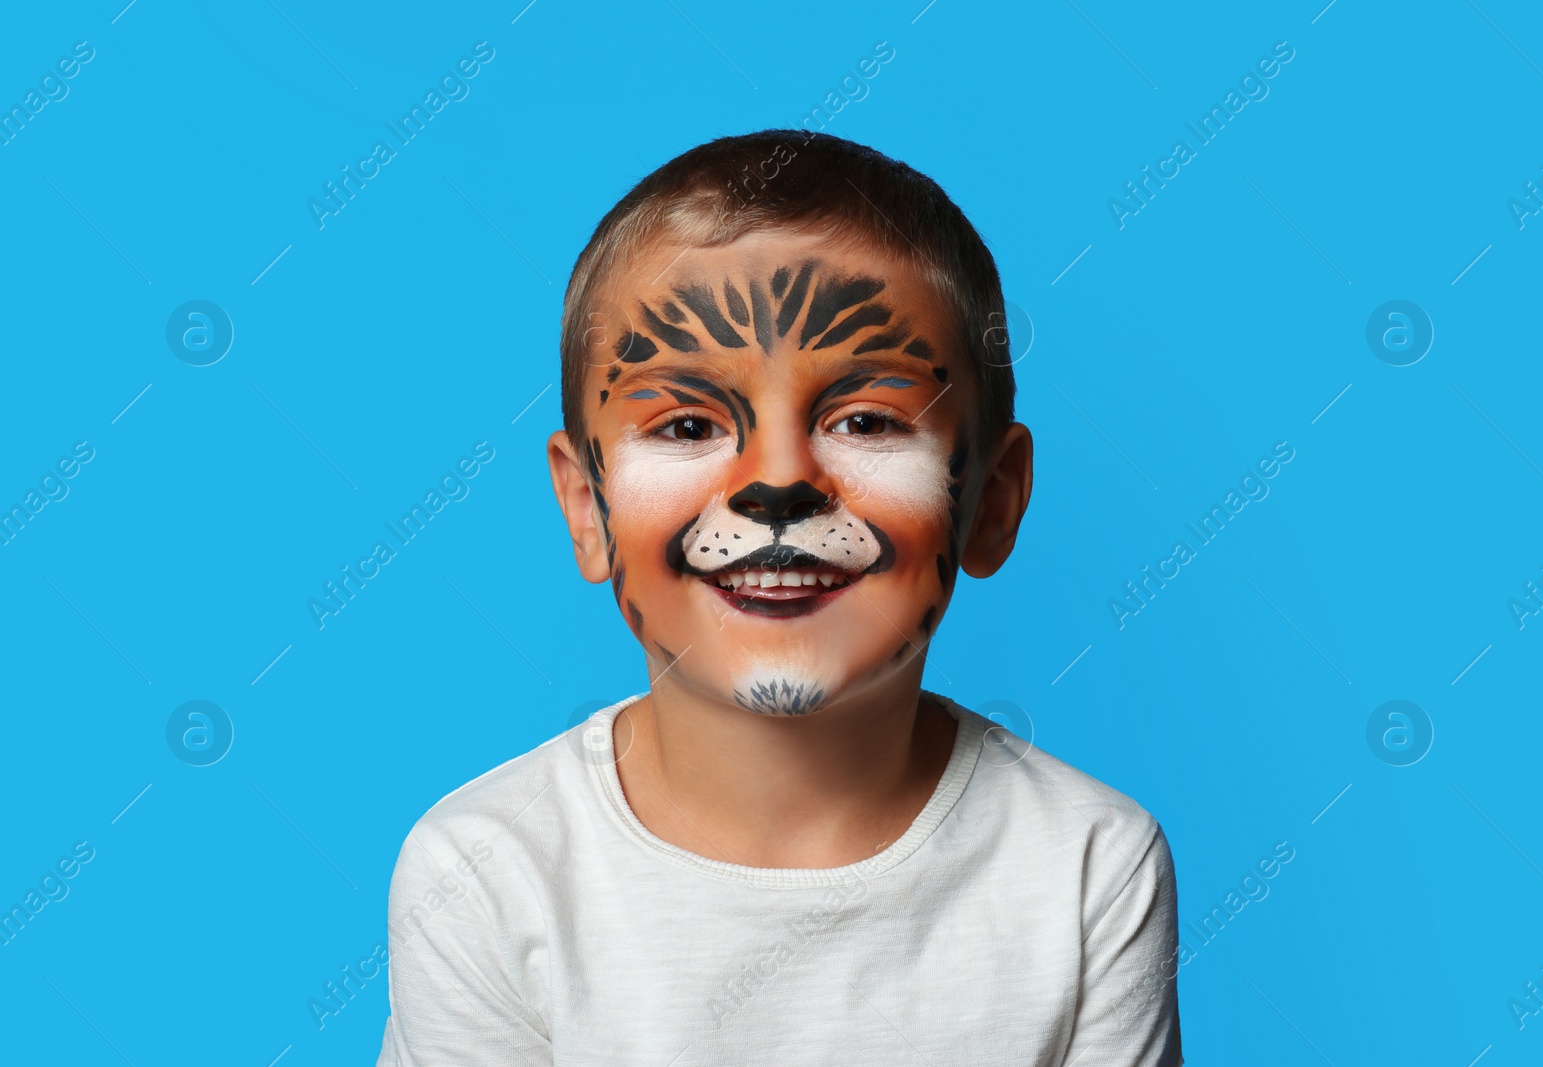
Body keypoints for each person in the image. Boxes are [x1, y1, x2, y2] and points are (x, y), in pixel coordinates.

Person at [376, 129, 1182, 1065]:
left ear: (993, 503)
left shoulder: (1087, 867)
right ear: (586, 506)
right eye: (686, 423)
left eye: (866, 420)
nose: (777, 483)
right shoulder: (482, 872)